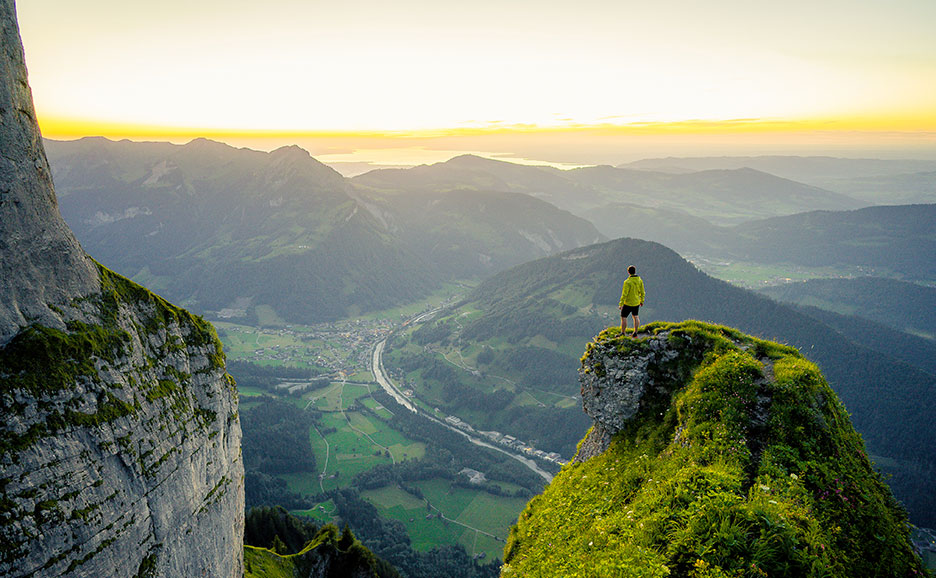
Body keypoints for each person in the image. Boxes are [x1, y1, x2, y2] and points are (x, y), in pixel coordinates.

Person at [619, 265, 645, 336]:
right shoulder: (639, 280)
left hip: (628, 303)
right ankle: (635, 332)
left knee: (623, 317)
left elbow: (624, 294)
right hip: (636, 302)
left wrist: (621, 304)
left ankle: (623, 332)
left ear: (628, 272)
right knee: (635, 316)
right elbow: (642, 292)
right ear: (635, 271)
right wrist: (642, 301)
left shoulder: (627, 282)